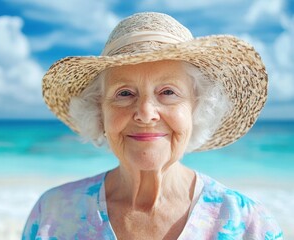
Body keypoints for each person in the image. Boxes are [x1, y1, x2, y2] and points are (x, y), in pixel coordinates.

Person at [22, 12, 283, 239]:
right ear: (98, 112)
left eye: (168, 92)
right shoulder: (52, 215)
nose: (146, 114)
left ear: (198, 109)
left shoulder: (248, 225)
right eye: (124, 93)